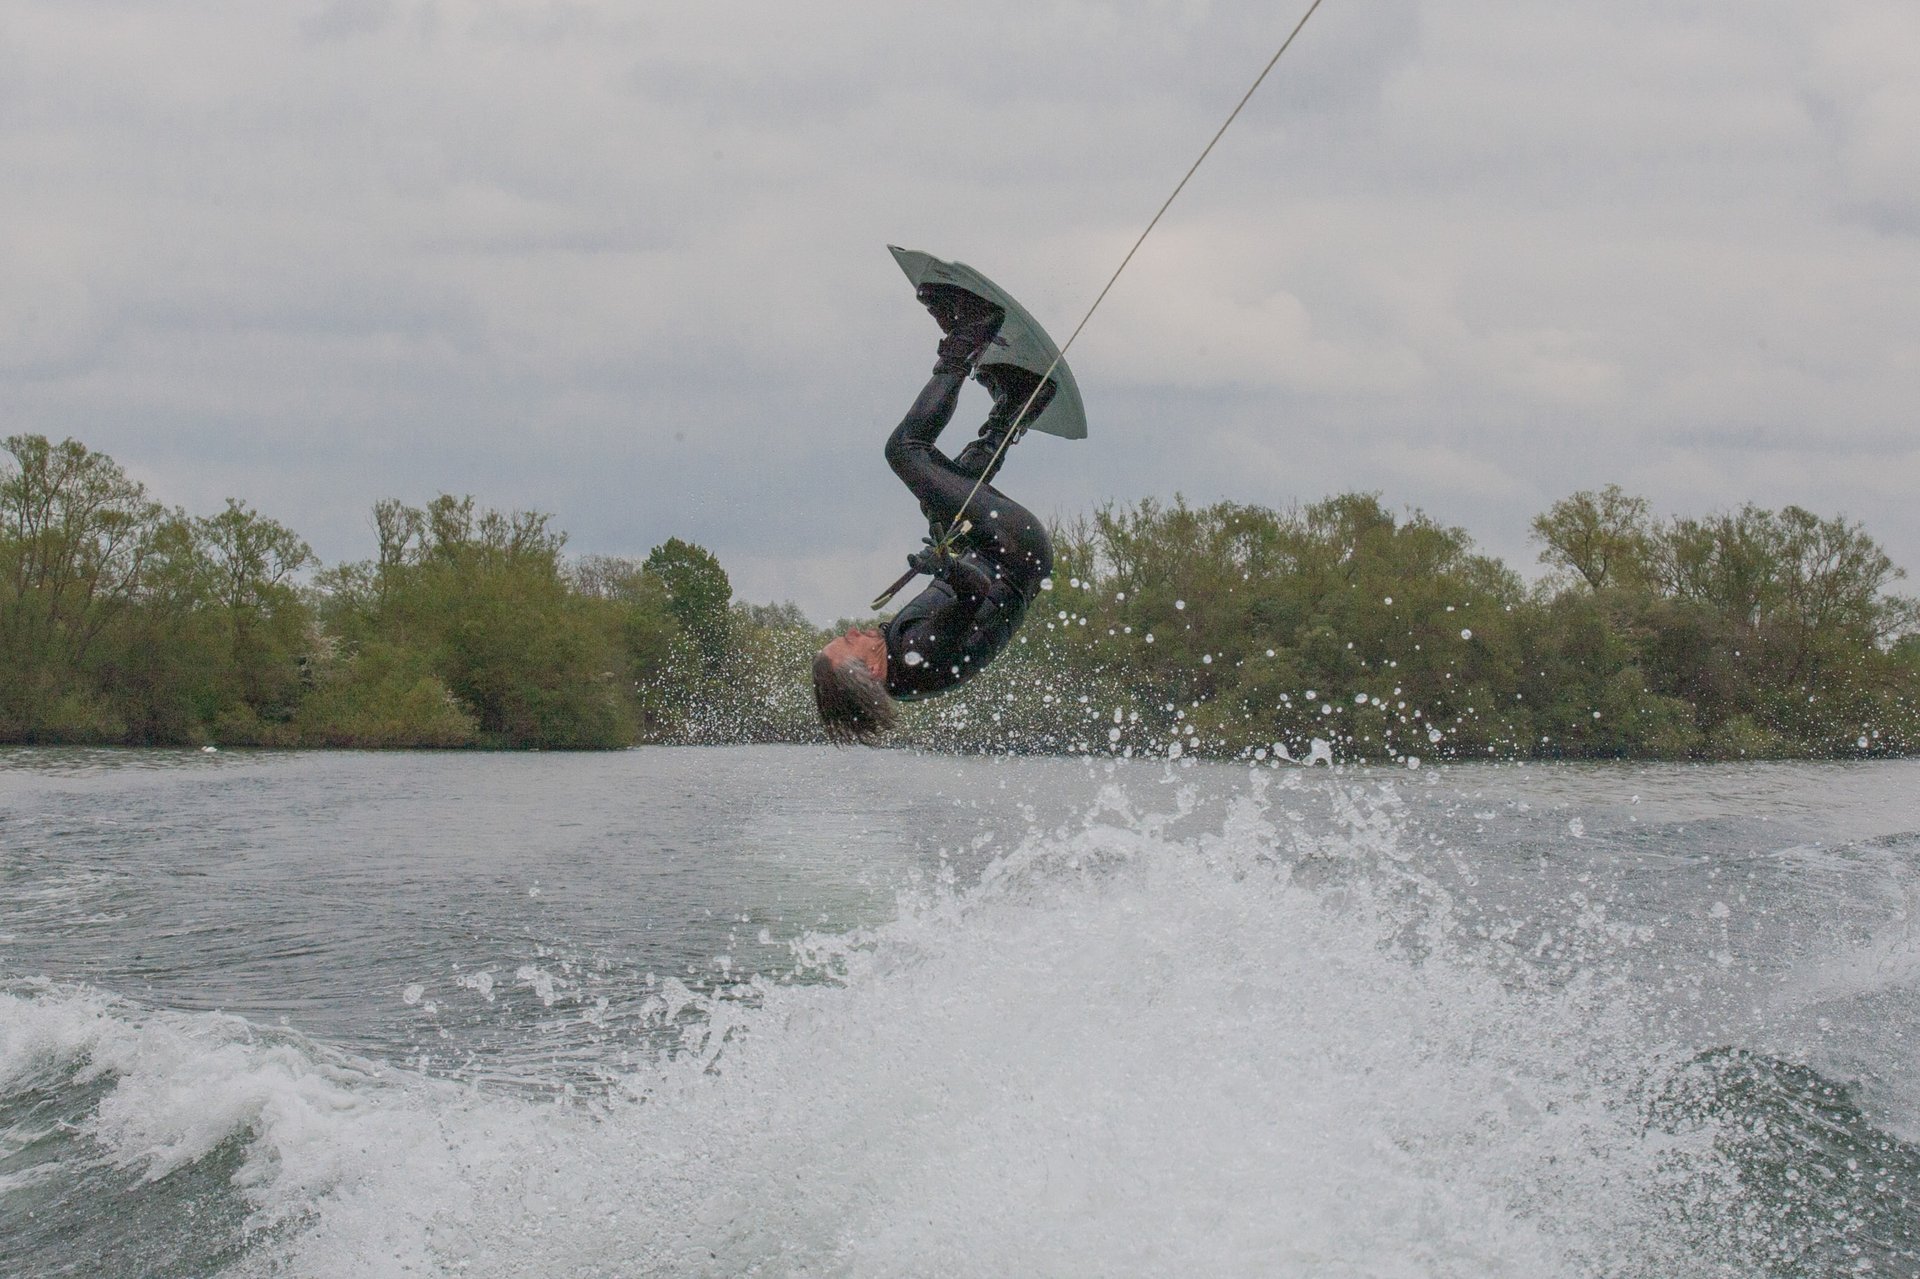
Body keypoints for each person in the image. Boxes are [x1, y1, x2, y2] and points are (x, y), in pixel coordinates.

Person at [812, 285, 1056, 744]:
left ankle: (1020, 400)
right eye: (847, 642)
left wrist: (945, 557)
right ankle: (971, 333)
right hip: (1013, 550)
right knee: (905, 451)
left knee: (944, 489)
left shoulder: (903, 667)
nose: (851, 631)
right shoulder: (916, 654)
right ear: (869, 671)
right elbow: (973, 592)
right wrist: (945, 567)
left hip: (1002, 552)